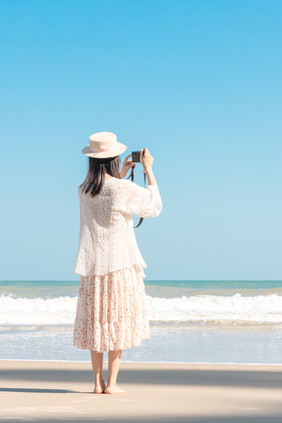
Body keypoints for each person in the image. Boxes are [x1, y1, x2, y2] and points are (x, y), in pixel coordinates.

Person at [72, 131, 162, 394]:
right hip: (119, 264)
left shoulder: (84, 190)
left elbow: (105, 198)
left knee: (97, 322)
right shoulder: (121, 188)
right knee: (116, 321)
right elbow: (153, 207)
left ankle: (97, 383)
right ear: (114, 158)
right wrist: (148, 170)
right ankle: (112, 383)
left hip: (91, 268)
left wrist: (121, 175)